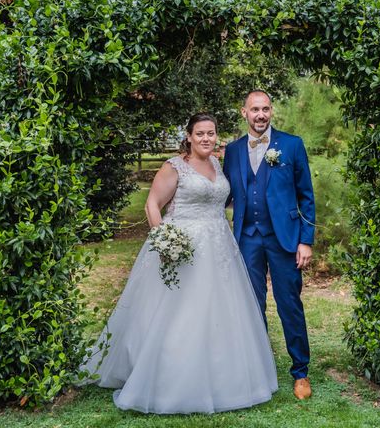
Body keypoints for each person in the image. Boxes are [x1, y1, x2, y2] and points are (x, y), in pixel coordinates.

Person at [80, 113, 278, 414]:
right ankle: (168, 374)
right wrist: (163, 241)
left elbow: (221, 200)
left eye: (211, 133)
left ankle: (222, 374)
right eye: (200, 133)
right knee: (178, 312)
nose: (206, 139)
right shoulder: (174, 167)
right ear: (188, 136)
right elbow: (152, 204)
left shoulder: (216, 164)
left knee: (220, 311)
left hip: (219, 247)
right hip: (183, 247)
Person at [223, 90, 315, 400]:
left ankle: (300, 372)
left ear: (271, 111)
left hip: (284, 239)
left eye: (265, 109)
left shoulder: (291, 145)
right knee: (251, 306)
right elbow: (223, 193)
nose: (260, 115)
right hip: (247, 238)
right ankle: (258, 370)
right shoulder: (233, 151)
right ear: (243, 113)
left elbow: (306, 196)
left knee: (289, 304)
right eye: (254, 110)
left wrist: (306, 240)